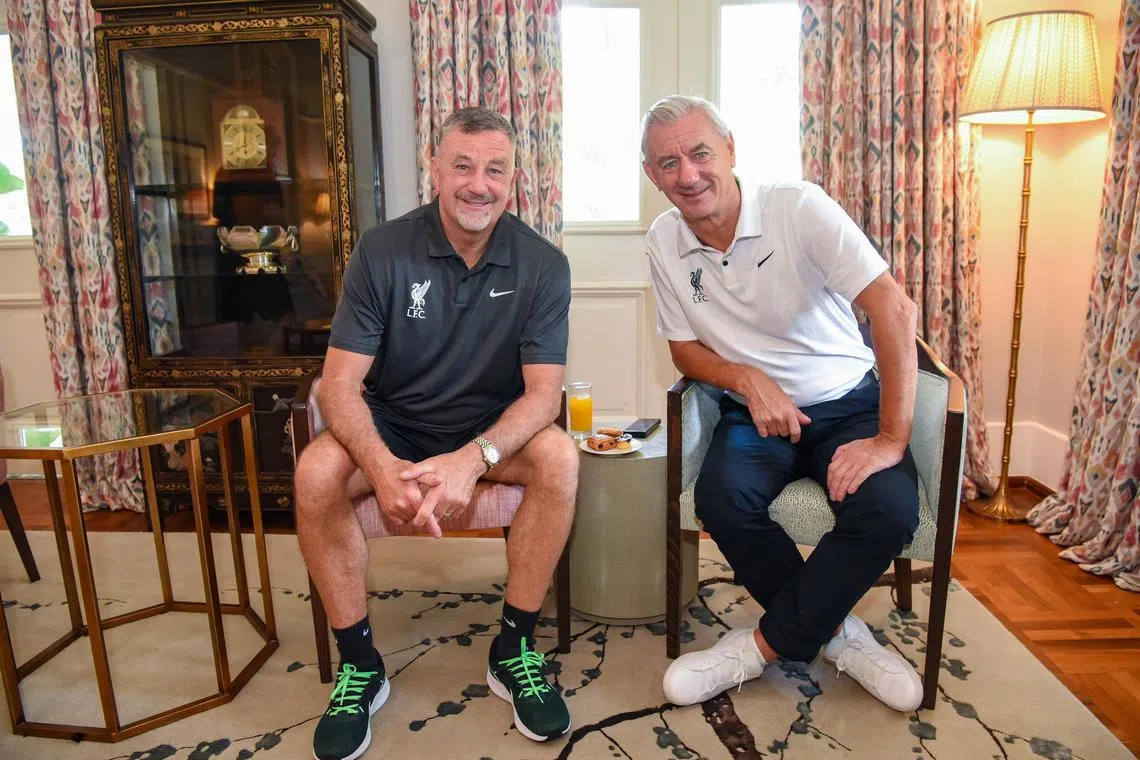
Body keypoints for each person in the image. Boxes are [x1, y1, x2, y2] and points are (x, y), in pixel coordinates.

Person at [294, 107, 577, 760]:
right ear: (435, 169)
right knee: (315, 472)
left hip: (488, 430)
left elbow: (543, 396)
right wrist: (383, 464)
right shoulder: (382, 251)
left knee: (560, 458)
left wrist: (472, 460)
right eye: (463, 166)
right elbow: (337, 387)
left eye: (495, 170)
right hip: (390, 424)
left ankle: (513, 648)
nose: (479, 184)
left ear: (514, 180)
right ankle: (359, 664)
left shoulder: (543, 265)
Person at [640, 95, 925, 713]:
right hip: (754, 416)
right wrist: (744, 377)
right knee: (721, 498)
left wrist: (889, 441)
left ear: (731, 150)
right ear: (651, 176)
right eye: (668, 163)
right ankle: (839, 634)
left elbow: (894, 310)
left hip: (847, 404)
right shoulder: (663, 240)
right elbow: (685, 352)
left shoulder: (798, 207)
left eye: (699, 153)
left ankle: (762, 646)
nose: (688, 175)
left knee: (890, 508)